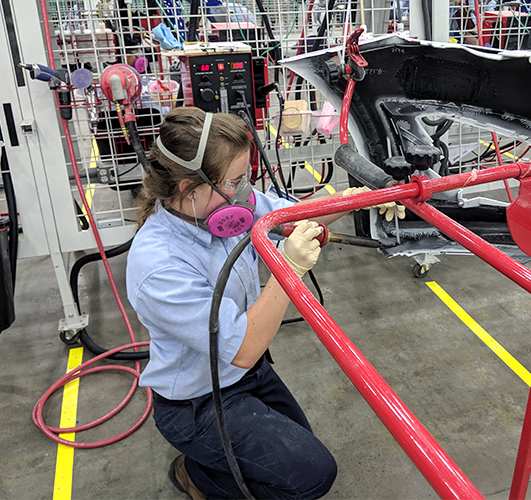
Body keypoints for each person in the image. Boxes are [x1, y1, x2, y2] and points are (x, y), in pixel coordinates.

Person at [126, 107, 404, 499]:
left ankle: (211, 463)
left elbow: (289, 216)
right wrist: (288, 269)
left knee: (299, 455)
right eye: (235, 181)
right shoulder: (159, 265)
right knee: (311, 477)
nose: (246, 193)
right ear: (190, 188)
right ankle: (197, 475)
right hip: (197, 401)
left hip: (248, 376)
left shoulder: (215, 208)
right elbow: (241, 347)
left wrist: (358, 199)